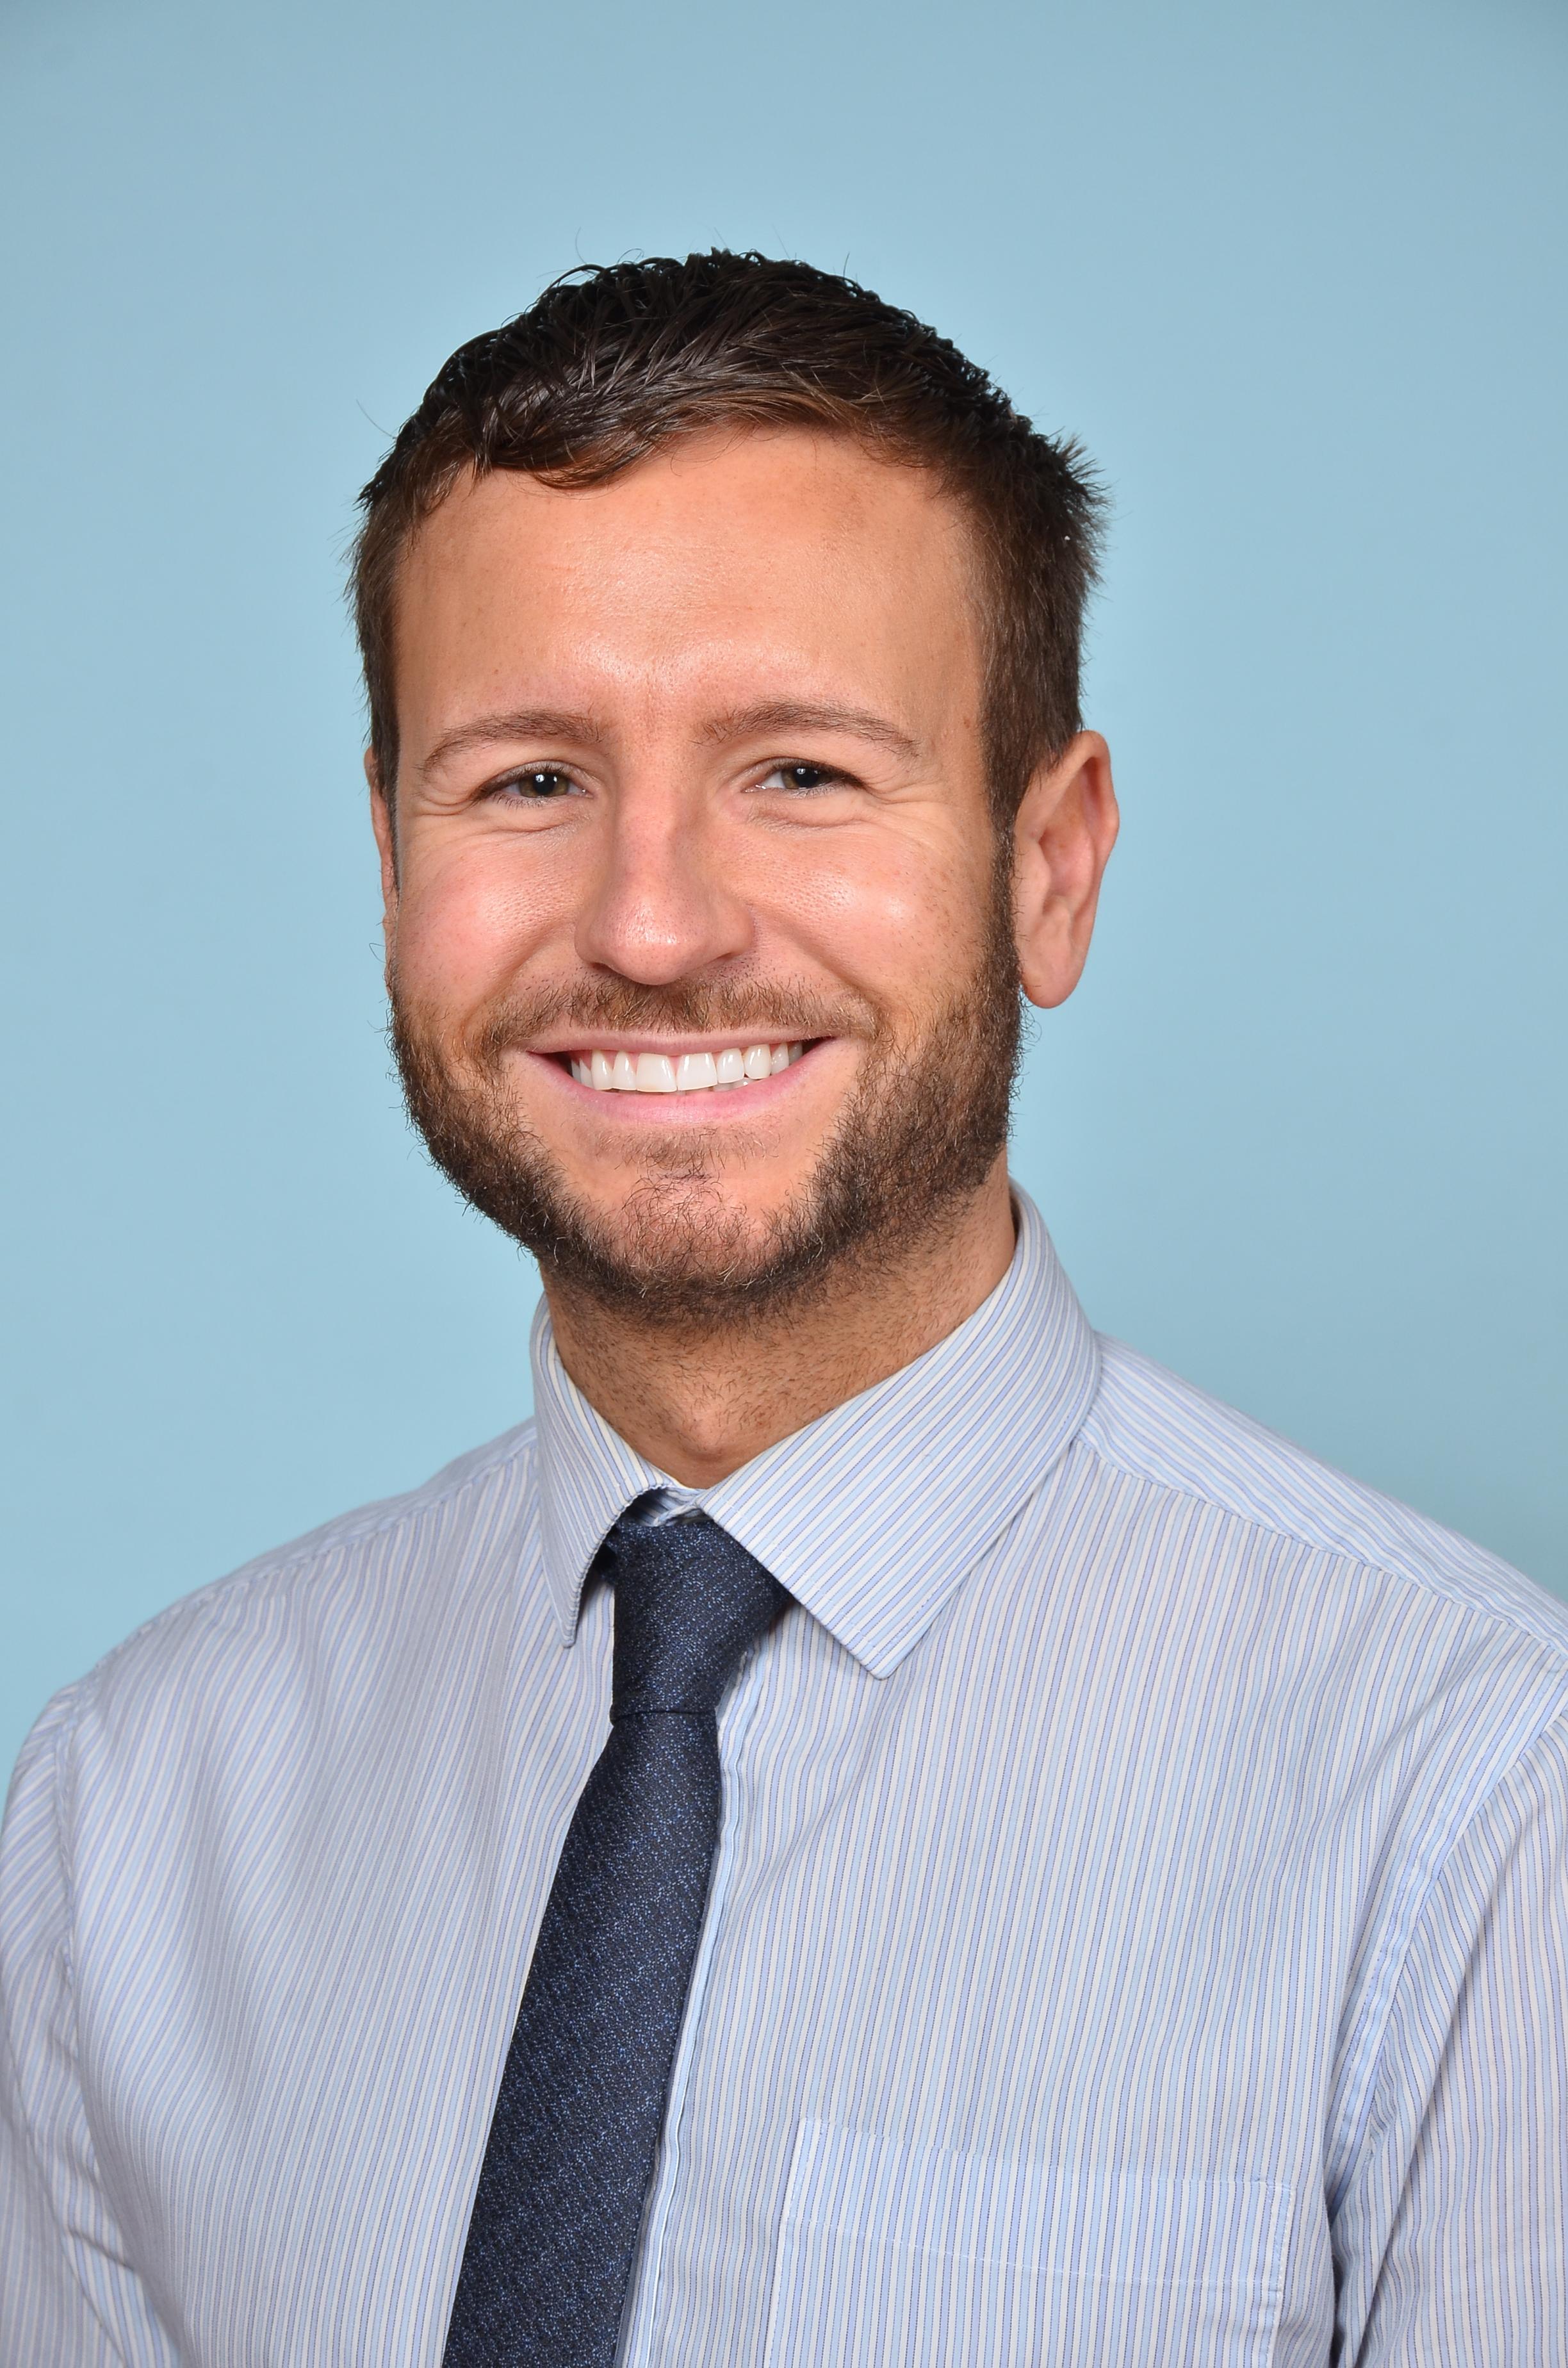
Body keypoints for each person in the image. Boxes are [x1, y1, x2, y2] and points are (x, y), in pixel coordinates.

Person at [1, 251, 1563, 2368]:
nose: (653, 928)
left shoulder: (1482, 1805)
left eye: (804, 773)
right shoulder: (125, 1813)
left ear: (1050, 866)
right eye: (529, 781)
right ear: (389, 859)